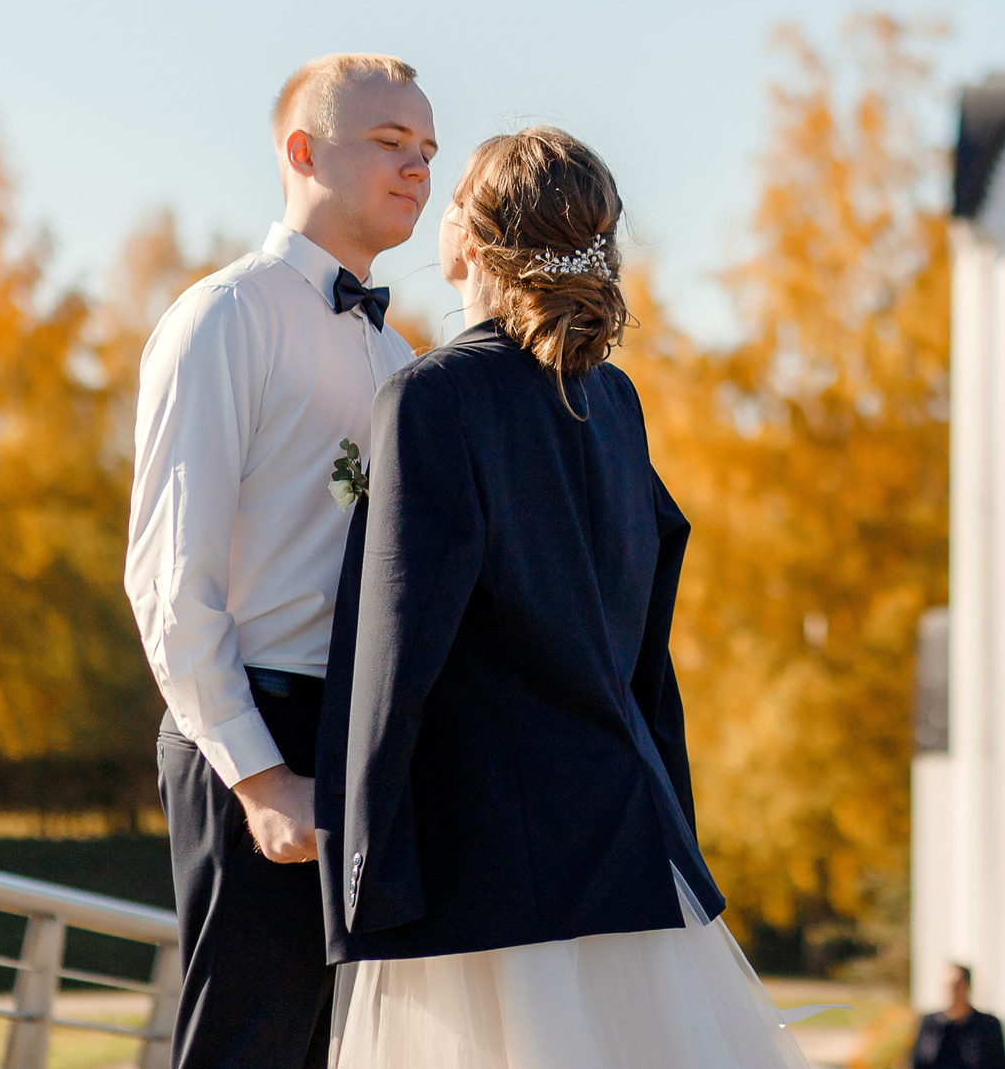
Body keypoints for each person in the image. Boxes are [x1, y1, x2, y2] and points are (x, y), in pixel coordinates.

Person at [315, 127, 808, 1069]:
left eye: (454, 194)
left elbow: (395, 652)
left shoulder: (433, 400)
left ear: (473, 237)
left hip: (492, 864)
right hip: (630, 840)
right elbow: (647, 653)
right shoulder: (616, 402)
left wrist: (363, 857)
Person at [125, 54, 436, 1069]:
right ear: (302, 152)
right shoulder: (226, 317)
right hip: (252, 737)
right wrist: (258, 776)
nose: (417, 169)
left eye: (427, 150)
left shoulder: (396, 358)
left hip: (351, 743)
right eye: (390, 144)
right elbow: (170, 575)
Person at [912, 966, 1005, 1069]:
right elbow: (918, 1061)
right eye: (947, 986)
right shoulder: (930, 1023)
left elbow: (999, 1064)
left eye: (956, 985)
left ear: (967, 986)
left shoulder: (988, 1025)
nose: (951, 991)